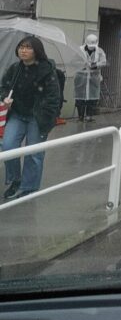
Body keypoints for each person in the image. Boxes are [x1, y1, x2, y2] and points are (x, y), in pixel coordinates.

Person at [1, 36, 63, 199]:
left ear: (37, 51)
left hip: (37, 117)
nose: (23, 50)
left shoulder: (47, 70)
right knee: (8, 147)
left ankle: (29, 187)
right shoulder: (15, 69)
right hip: (17, 114)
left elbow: (53, 97)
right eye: (21, 47)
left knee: (33, 153)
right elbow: (3, 87)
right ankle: (15, 180)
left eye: (28, 47)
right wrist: (5, 98)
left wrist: (46, 118)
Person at [74, 33, 106, 122]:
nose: (91, 47)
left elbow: (103, 62)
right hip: (81, 77)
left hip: (94, 78)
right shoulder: (79, 50)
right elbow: (74, 62)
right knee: (80, 98)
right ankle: (80, 116)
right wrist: (83, 65)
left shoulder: (100, 51)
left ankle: (89, 116)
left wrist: (95, 65)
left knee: (92, 98)